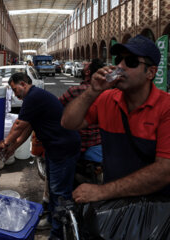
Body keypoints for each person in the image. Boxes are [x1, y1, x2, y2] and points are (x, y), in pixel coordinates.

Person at [61, 35, 170, 204]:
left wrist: (102, 191)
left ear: (151, 72)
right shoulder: (107, 98)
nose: (120, 66)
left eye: (131, 62)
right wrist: (92, 90)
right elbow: (69, 123)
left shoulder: (166, 107)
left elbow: (164, 171)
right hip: (114, 207)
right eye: (119, 60)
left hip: (156, 210)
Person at [0, 72, 80, 239]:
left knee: (59, 193)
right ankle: (51, 220)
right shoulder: (34, 98)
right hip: (54, 148)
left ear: (23, 84)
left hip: (63, 149)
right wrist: (13, 148)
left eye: (15, 90)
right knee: (52, 188)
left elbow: (19, 125)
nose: (15, 94)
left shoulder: (33, 97)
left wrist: (6, 143)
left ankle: (58, 234)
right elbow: (27, 129)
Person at [59, 58, 104, 164]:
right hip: (99, 141)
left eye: (85, 66)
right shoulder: (108, 93)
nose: (83, 66)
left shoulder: (75, 91)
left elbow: (57, 106)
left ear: (88, 72)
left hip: (78, 143)